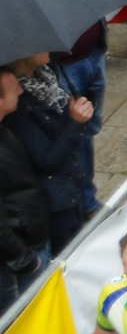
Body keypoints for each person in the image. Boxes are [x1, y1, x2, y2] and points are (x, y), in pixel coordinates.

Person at [6, 0, 108, 212]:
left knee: (87, 130)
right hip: (61, 67)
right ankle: (82, 204)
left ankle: (87, 196)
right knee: (69, 134)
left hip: (91, 55)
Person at [2, 54, 95, 255]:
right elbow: (47, 160)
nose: (48, 50)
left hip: (71, 185)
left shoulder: (46, 75)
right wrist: (74, 122)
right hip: (54, 201)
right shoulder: (18, 102)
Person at [0, 71, 50, 310]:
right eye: (14, 89)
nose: (22, 90)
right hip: (17, 255)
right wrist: (25, 260)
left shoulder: (6, 127)